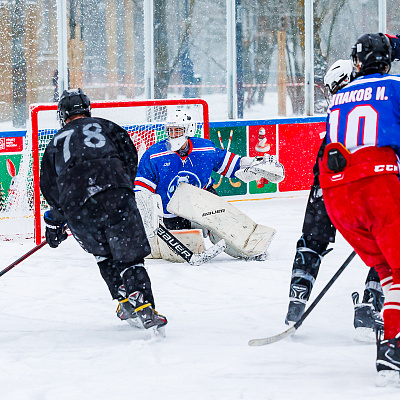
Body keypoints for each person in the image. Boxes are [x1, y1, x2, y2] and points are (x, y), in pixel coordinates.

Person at [40, 88, 167, 333]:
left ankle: (122, 299)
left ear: (62, 114)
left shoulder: (55, 142)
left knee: (103, 252)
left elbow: (50, 187)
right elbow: (130, 157)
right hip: (115, 192)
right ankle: (142, 302)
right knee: (129, 253)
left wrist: (55, 221)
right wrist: (121, 185)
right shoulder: (107, 125)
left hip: (77, 206)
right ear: (87, 109)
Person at [319, 33, 400, 387]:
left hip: (337, 196)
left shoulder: (338, 98)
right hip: (376, 184)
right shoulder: (395, 85)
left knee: (388, 269)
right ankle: (393, 346)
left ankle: (390, 346)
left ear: (355, 64)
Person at [284, 59, 384, 342]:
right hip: (367, 185)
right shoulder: (377, 98)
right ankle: (370, 305)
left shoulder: (336, 110)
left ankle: (296, 301)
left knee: (311, 242)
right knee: (386, 246)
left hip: (327, 185)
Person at [133, 109, 285, 258]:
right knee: (185, 246)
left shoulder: (205, 148)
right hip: (171, 210)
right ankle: (191, 229)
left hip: (203, 201)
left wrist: (253, 164)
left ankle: (247, 250)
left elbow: (233, 163)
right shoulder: (154, 154)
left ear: (189, 130)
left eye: (177, 130)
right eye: (170, 130)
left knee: (226, 228)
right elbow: (142, 190)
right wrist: (146, 214)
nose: (173, 134)